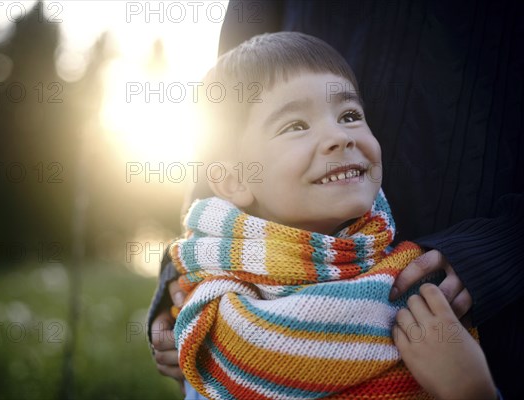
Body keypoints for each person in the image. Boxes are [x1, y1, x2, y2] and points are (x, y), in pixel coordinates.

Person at [148, 1, 523, 398]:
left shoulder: (435, 333)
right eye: (296, 125)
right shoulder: (213, 322)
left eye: (349, 116)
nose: (340, 136)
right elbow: (218, 129)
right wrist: (176, 274)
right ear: (234, 179)